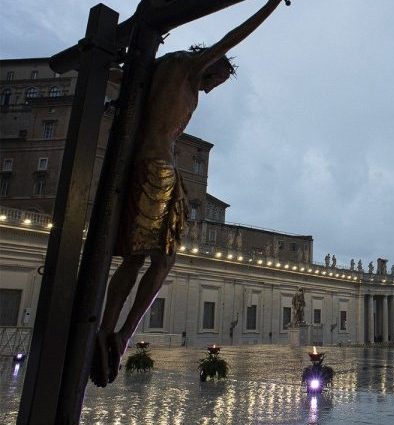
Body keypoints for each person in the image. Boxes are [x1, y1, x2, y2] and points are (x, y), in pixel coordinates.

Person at [90, 0, 287, 388]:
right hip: (157, 170)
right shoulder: (186, 68)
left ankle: (107, 331)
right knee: (162, 261)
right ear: (211, 65)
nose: (211, 89)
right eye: (217, 80)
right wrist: (272, 6)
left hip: (149, 167)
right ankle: (123, 334)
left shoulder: (159, 69)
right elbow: (234, 36)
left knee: (135, 258)